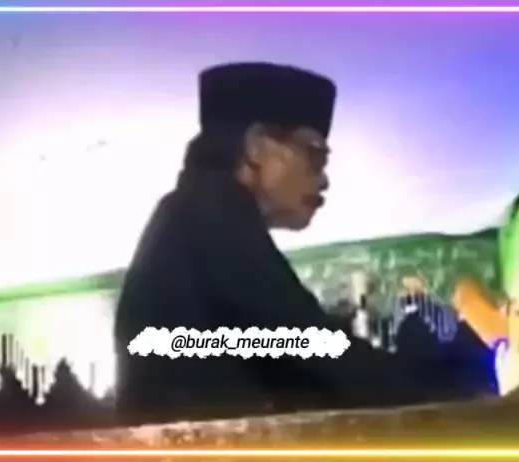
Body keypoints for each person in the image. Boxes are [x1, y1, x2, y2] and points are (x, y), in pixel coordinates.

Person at [113, 63, 474, 426]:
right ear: (256, 147)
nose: (324, 180)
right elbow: (322, 357)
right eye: (315, 156)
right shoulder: (208, 214)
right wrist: (454, 384)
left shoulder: (191, 214)